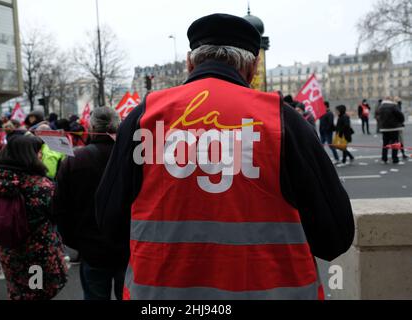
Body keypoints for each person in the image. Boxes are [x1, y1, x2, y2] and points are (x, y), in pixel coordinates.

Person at [96, 13, 354, 300]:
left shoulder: (145, 117)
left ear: (190, 62)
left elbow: (108, 222)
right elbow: (334, 238)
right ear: (254, 67)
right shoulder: (283, 122)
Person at [54, 107, 125, 300]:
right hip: (127, 245)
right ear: (118, 126)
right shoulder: (132, 157)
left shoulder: (74, 160)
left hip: (91, 247)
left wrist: (75, 242)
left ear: (91, 126)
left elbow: (60, 207)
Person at [0, 135, 67, 300]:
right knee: (37, 293)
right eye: (38, 152)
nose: (41, 155)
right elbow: (58, 213)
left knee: (19, 292)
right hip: (36, 253)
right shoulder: (40, 185)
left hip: (8, 250)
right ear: (29, 154)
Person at [377, 98, 405, 164]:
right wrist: (400, 122)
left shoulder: (380, 107)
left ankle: (384, 158)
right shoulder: (393, 106)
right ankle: (395, 158)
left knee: (385, 144)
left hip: (384, 128)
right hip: (394, 128)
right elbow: (400, 115)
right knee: (395, 143)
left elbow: (377, 116)